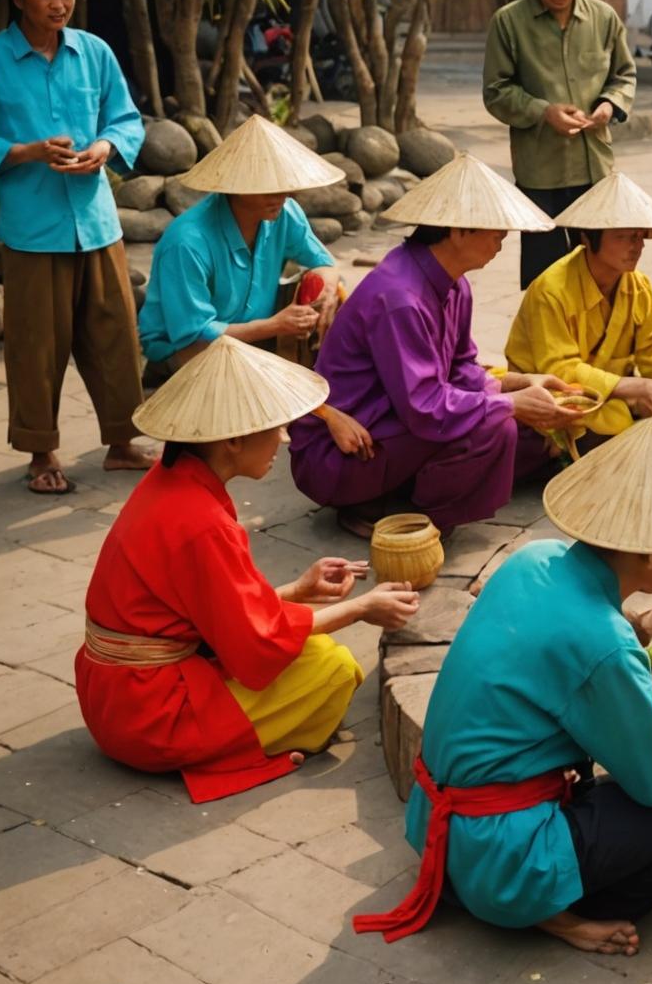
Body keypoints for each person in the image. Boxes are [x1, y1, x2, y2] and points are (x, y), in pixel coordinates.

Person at [353, 419, 652, 949]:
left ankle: (526, 883)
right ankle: (558, 912)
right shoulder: (603, 644)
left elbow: (558, 642)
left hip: (442, 821)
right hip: (500, 851)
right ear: (647, 553)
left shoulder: (534, 558)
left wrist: (641, 623)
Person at [79, 338, 419, 801]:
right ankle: (234, 749)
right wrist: (362, 609)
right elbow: (255, 642)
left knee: (315, 651)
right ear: (233, 440)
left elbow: (212, 613)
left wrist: (299, 590)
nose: (284, 438)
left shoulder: (169, 481)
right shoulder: (202, 521)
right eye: (275, 428)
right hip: (151, 717)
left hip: (111, 697)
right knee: (334, 668)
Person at [0, 0, 151, 496]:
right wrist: (25, 152)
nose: (60, 3)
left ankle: (121, 442)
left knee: (114, 334)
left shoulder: (96, 53)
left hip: (98, 221)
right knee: (37, 345)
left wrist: (105, 150)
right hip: (33, 229)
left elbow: (125, 118)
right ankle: (41, 452)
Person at [289, 155, 579, 537]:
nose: (502, 242)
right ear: (458, 231)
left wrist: (519, 385)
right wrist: (508, 405)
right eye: (495, 232)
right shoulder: (400, 298)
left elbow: (462, 369)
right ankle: (395, 509)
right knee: (498, 430)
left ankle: (404, 488)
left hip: (396, 424)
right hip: (342, 451)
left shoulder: (454, 284)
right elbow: (425, 407)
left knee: (525, 433)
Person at [505, 174, 652, 452]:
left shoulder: (637, 285)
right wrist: (631, 387)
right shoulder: (551, 290)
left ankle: (650, 440)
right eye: (624, 237)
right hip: (565, 397)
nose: (636, 246)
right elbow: (560, 371)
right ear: (588, 237)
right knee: (613, 419)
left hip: (621, 396)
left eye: (640, 236)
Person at [484, 0, 637, 289]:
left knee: (603, 272)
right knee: (545, 281)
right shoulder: (509, 22)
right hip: (541, 172)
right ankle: (547, 346)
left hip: (595, 169)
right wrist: (543, 112)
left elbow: (624, 75)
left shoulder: (603, 19)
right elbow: (496, 91)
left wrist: (608, 105)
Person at [137, 115, 343, 374]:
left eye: (284, 187)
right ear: (236, 187)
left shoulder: (285, 212)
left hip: (252, 339)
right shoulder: (187, 243)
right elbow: (195, 334)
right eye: (268, 188)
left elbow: (324, 263)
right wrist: (274, 326)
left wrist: (328, 289)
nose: (281, 196)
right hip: (184, 352)